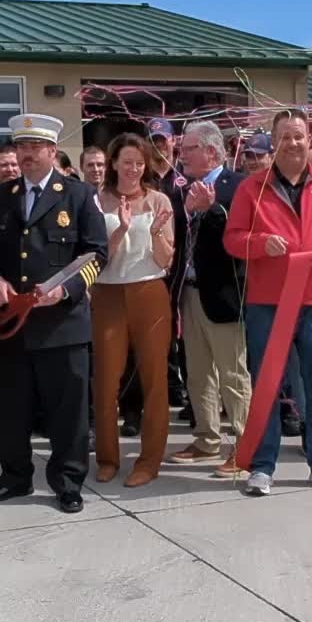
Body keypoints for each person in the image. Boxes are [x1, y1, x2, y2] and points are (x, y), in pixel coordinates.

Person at [225, 110, 312, 495]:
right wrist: (259, 245)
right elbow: (232, 239)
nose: (292, 143)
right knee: (267, 384)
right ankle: (263, 466)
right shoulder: (251, 188)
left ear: (309, 140)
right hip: (269, 303)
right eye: (284, 137)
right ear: (274, 142)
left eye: (299, 136)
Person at [0, 113, 107, 514]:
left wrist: (64, 290)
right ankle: (14, 476)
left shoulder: (79, 195)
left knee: (66, 410)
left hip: (61, 324)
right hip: (9, 325)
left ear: (53, 151)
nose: (28, 155)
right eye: (22, 147)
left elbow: (96, 254)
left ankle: (68, 481)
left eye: (36, 147)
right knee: (9, 407)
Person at [166, 120, 250, 477]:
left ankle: (246, 448)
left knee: (233, 374)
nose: (181, 155)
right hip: (189, 293)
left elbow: (242, 240)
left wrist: (211, 210)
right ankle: (206, 438)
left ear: (212, 152)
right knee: (198, 373)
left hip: (225, 295)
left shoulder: (240, 187)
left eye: (188, 149)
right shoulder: (181, 188)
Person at [91, 133, 175, 487]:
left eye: (139, 163)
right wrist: (121, 228)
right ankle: (108, 458)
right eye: (127, 162)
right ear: (113, 163)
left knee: (155, 379)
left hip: (149, 290)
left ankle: (149, 460)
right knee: (107, 380)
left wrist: (156, 232)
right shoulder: (96, 200)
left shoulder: (158, 200)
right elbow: (94, 255)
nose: (133, 169)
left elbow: (165, 259)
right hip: (108, 293)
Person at [147, 117, 194, 423]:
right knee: (154, 334)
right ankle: (163, 387)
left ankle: (192, 394)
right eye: (153, 140)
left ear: (173, 141)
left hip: (182, 269)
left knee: (188, 335)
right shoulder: (142, 179)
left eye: (163, 139)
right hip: (150, 268)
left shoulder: (186, 178)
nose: (159, 145)